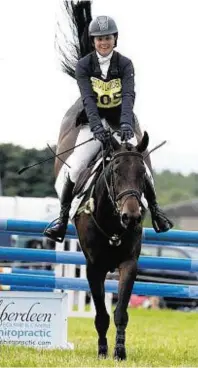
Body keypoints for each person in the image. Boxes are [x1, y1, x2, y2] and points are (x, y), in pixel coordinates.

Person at [44, 15, 173, 243]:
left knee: (139, 164)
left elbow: (128, 95)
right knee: (75, 168)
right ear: (94, 41)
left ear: (115, 39)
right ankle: (62, 220)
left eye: (108, 38)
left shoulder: (124, 64)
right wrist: (96, 127)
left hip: (120, 121)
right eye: (99, 39)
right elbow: (87, 99)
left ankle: (156, 212)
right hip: (92, 123)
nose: (104, 42)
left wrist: (125, 123)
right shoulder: (84, 66)